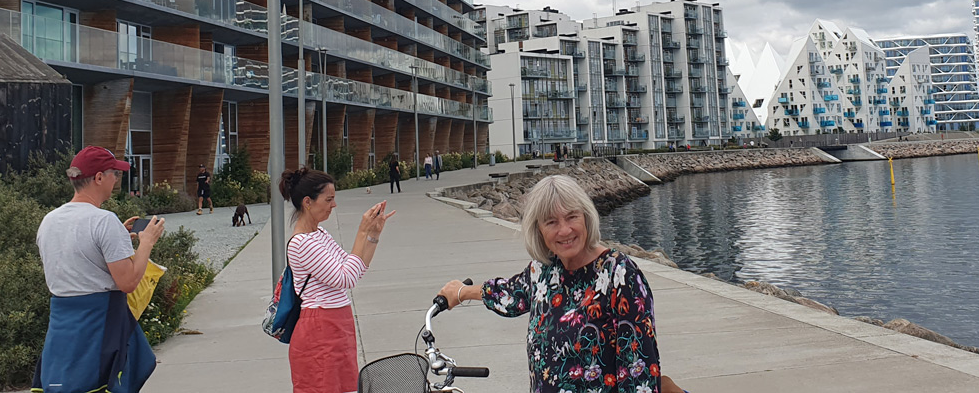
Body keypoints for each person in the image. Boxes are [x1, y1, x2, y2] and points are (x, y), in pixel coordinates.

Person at [437, 175, 686, 393]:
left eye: (571, 217)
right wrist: (462, 292)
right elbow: (511, 294)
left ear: (586, 218)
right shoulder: (543, 270)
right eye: (551, 222)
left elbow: (638, 367)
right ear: (539, 231)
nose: (565, 230)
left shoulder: (619, 274)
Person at [33, 146, 166, 393]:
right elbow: (128, 282)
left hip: (62, 324)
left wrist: (120, 238)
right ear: (98, 178)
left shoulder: (49, 220)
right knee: (100, 385)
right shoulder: (104, 221)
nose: (117, 179)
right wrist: (146, 243)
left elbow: (78, 259)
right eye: (114, 173)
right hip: (98, 320)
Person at [281, 167, 394, 393]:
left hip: (336, 323)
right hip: (320, 327)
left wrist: (373, 236)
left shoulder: (320, 235)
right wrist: (362, 232)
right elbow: (346, 278)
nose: (334, 205)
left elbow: (356, 267)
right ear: (307, 202)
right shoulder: (302, 243)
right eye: (329, 199)